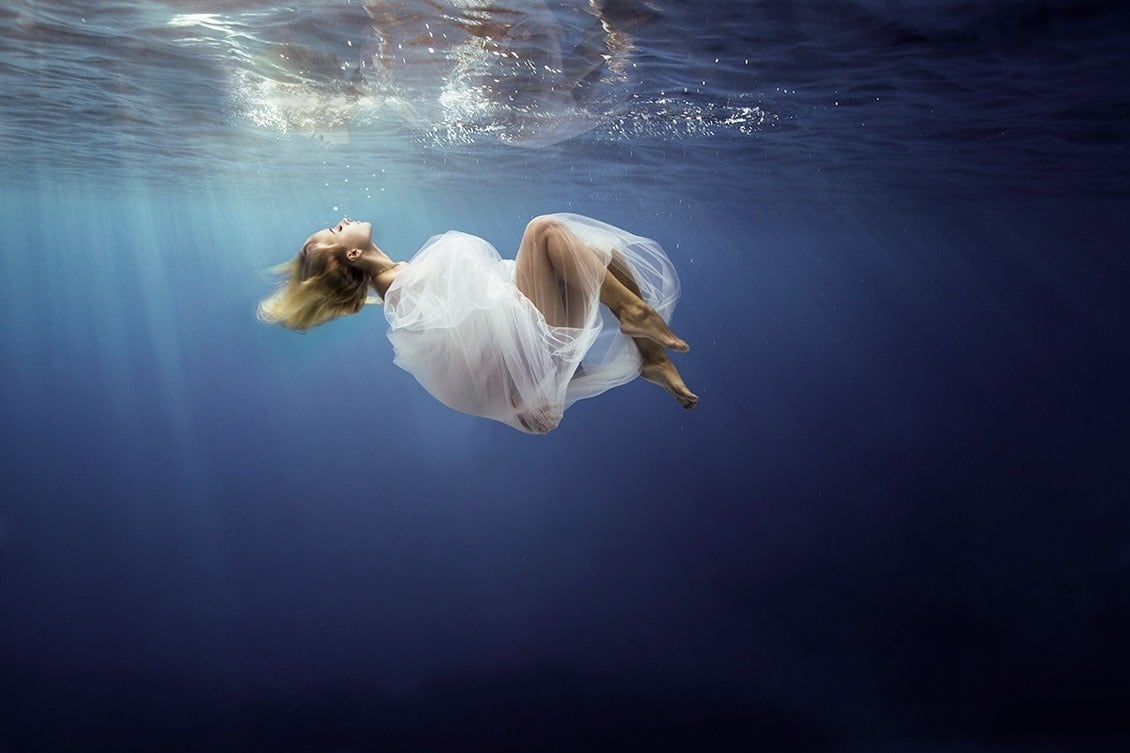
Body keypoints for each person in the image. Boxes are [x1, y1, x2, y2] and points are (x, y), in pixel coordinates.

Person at [258, 213, 697, 434]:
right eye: (335, 233)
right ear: (352, 255)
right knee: (543, 229)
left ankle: (651, 357)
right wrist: (522, 395)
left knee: (596, 250)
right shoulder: (400, 291)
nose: (341, 222)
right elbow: (465, 356)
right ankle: (635, 315)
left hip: (530, 339)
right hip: (532, 349)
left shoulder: (400, 279)